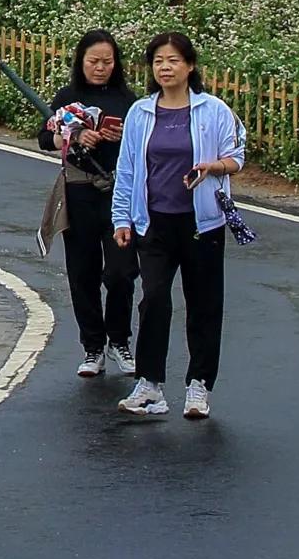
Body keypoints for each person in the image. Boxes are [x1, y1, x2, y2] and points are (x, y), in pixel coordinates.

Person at [110, 31, 246, 421]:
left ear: (189, 66)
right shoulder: (141, 112)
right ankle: (150, 385)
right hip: (153, 222)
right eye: (158, 61)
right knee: (153, 298)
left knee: (203, 304)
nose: (165, 67)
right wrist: (122, 218)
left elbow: (236, 155)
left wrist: (213, 167)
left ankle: (199, 386)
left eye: (172, 60)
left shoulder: (214, 110)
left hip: (202, 223)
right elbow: (128, 169)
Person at [37, 29, 136, 377]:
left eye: (107, 62)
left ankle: (119, 339)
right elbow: (44, 137)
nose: (100, 68)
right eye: (94, 61)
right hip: (78, 193)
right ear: (81, 61)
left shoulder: (127, 98)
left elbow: (143, 142)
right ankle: (93, 346)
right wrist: (75, 135)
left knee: (122, 272)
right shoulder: (68, 96)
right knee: (83, 273)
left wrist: (123, 135)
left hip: (118, 193)